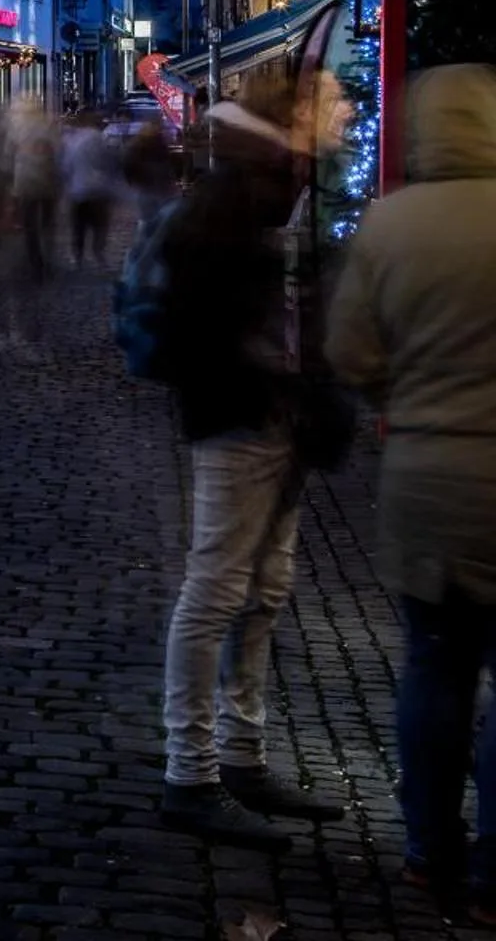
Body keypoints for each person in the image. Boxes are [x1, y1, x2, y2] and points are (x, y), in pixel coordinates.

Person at [155, 72, 344, 846]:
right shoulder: (238, 194)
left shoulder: (281, 184)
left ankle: (240, 755)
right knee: (216, 591)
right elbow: (199, 328)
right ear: (295, 114)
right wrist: (274, 386)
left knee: (263, 590)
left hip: (277, 416)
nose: (348, 111)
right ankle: (190, 775)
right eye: (334, 100)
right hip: (241, 418)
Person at [327, 65, 496, 910]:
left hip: (428, 474)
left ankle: (431, 847)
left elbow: (351, 353)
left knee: (435, 668)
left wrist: (406, 401)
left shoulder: (389, 223)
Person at [8, 101, 62, 280]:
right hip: (46, 181)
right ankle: (47, 259)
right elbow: (59, 151)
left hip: (26, 183)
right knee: (46, 223)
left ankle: (36, 261)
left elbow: (8, 153)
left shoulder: (17, 128)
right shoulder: (49, 126)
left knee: (30, 225)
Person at [62, 114, 120, 266]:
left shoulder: (72, 140)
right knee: (99, 224)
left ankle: (77, 256)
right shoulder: (99, 139)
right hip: (97, 189)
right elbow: (108, 163)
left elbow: (66, 165)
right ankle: (98, 252)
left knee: (78, 225)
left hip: (78, 189)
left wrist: (67, 183)